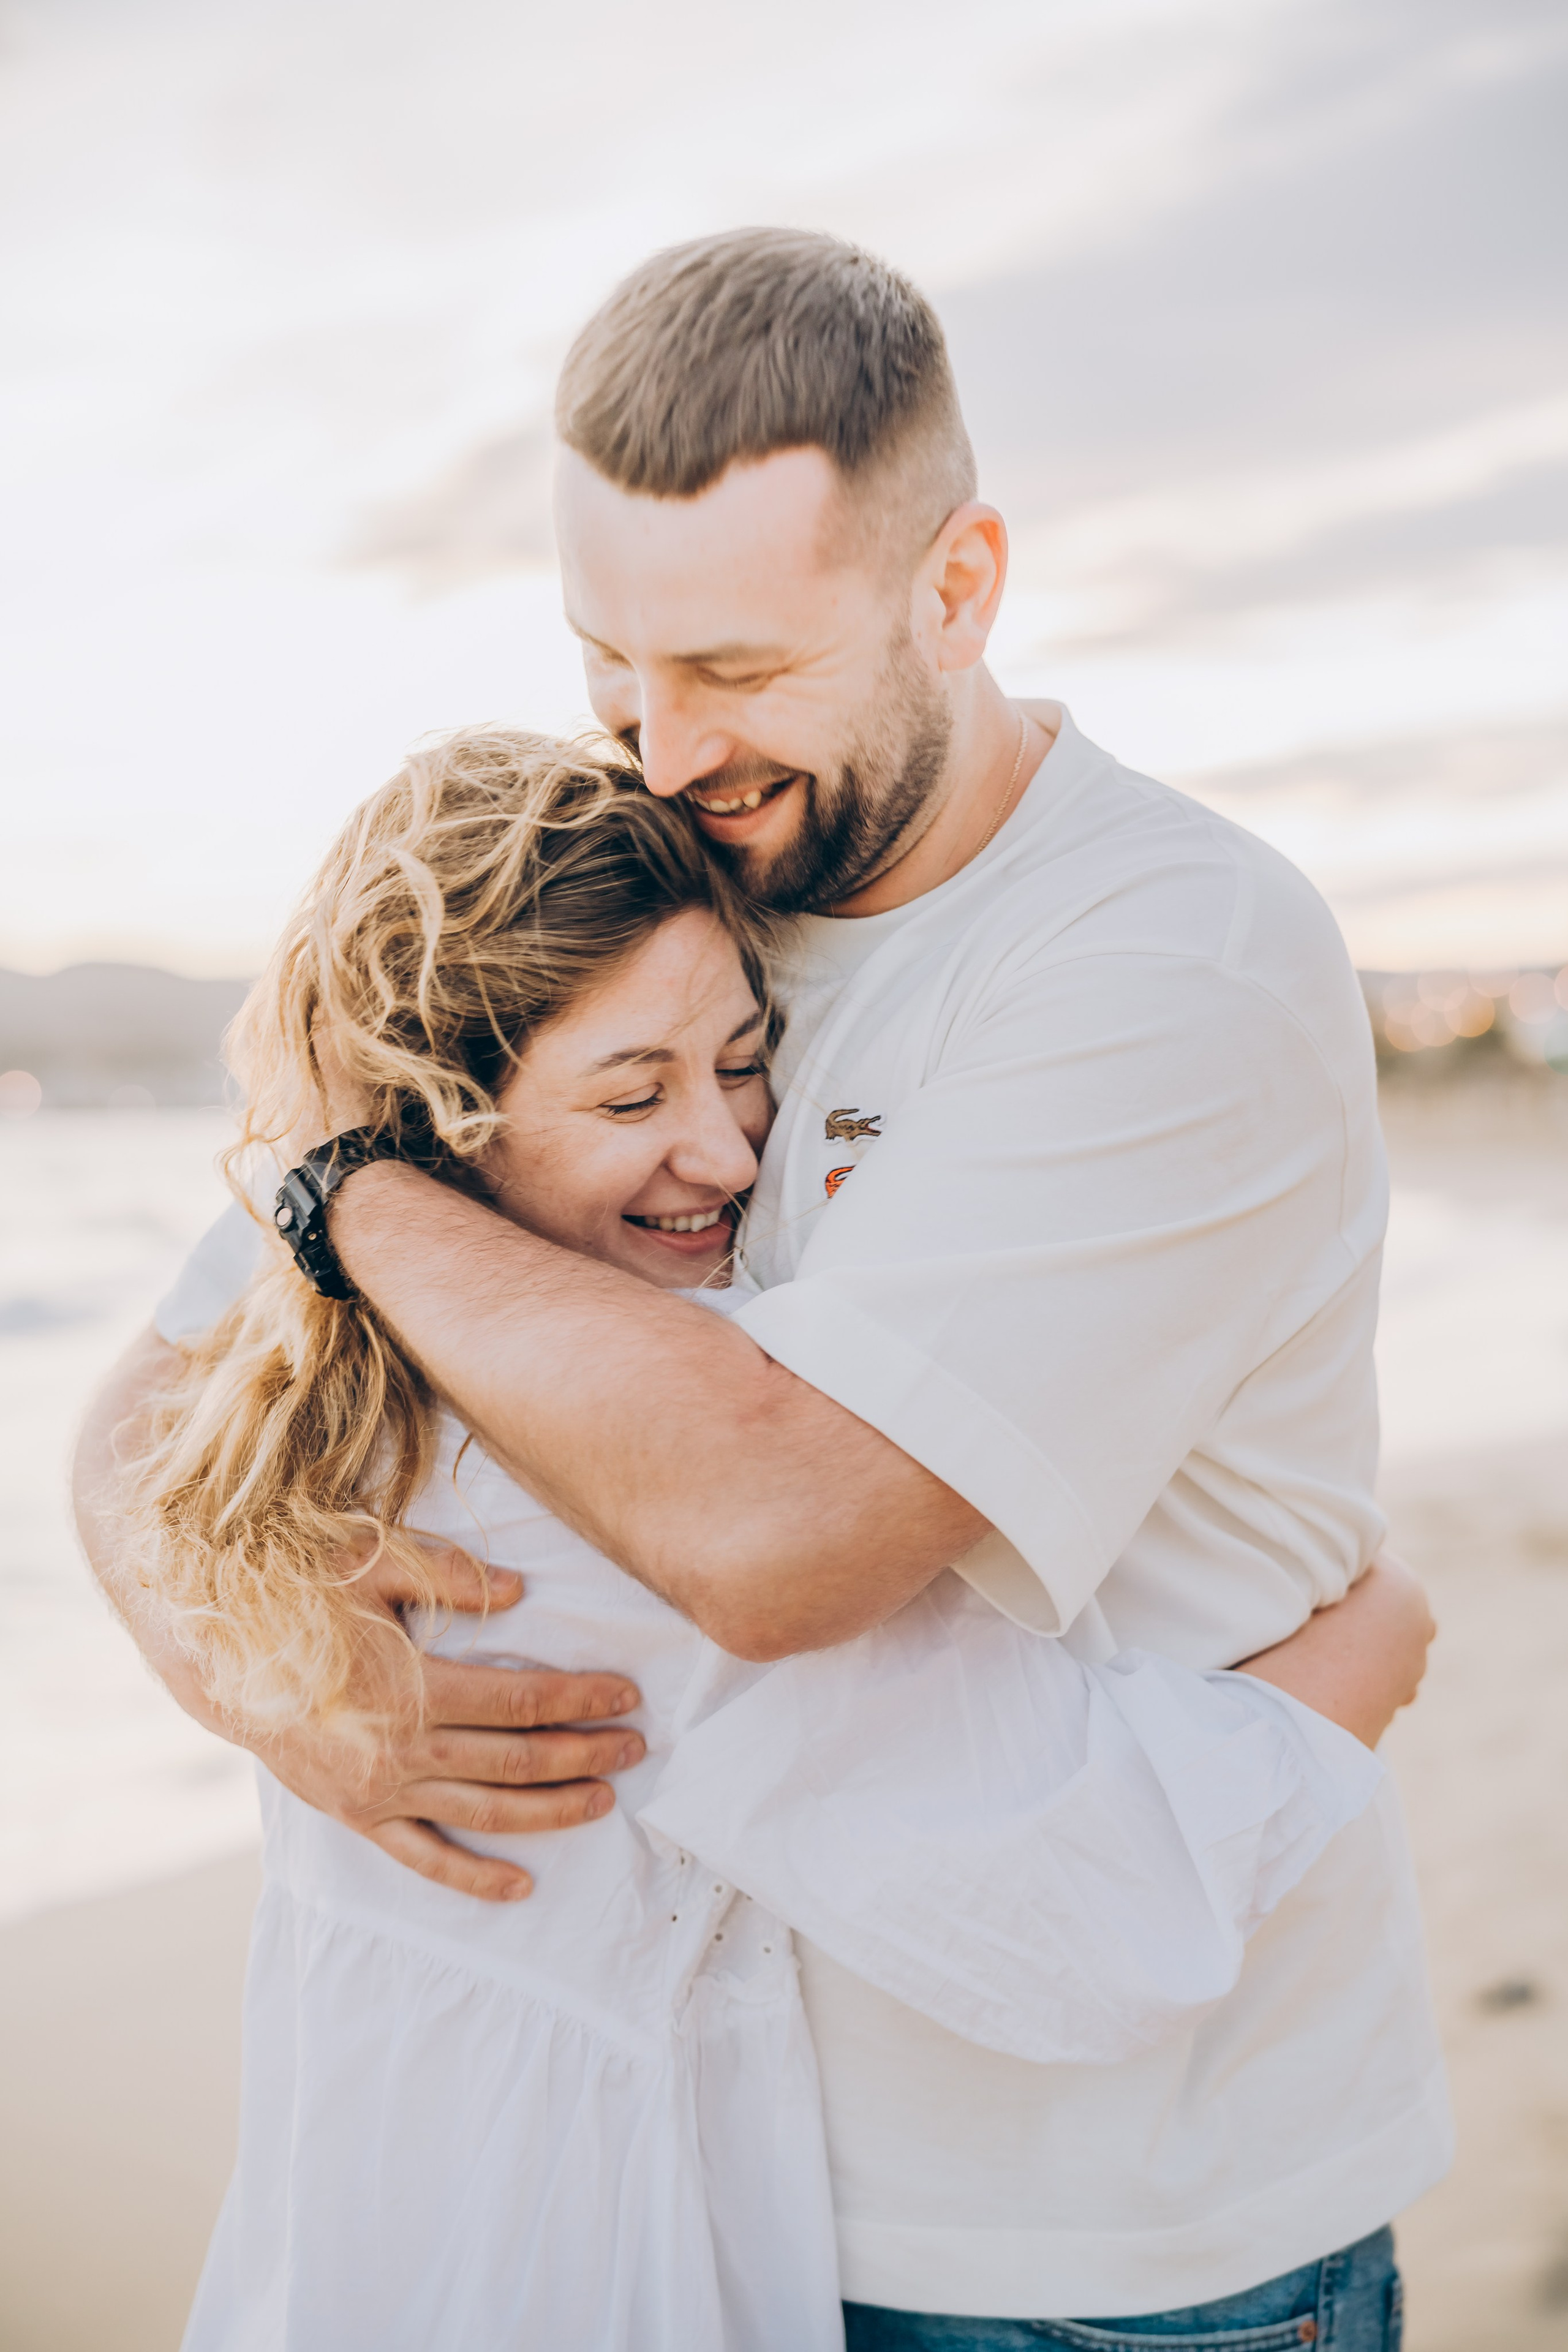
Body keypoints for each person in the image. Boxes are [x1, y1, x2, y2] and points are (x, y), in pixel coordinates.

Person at [78, 230, 1446, 2347]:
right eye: (609, 662)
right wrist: (273, 1689)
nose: (659, 743)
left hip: (1097, 2246)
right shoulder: (651, 885)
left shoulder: (1163, 953)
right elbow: (163, 1403)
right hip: (722, 2209)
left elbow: (777, 1540)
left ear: (956, 589)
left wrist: (350, 1187)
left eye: (730, 665)